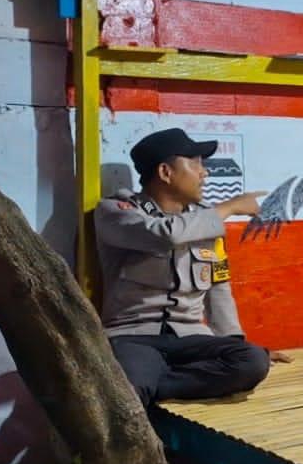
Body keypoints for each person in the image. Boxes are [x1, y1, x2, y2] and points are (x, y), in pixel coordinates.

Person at [95, 127, 290, 407]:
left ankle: (156, 383)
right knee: (129, 392)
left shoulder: (206, 220)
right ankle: (151, 382)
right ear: (165, 172)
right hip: (134, 337)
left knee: (253, 361)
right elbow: (164, 234)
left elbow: (219, 288)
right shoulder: (117, 211)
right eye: (195, 163)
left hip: (190, 339)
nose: (204, 173)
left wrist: (234, 343)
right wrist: (230, 207)